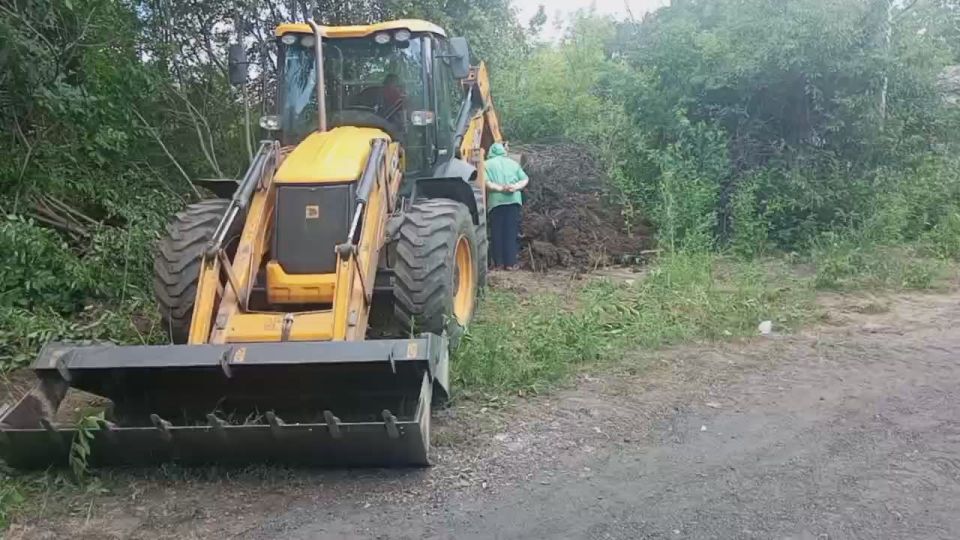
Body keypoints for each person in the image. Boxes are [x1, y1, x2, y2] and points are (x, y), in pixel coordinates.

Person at [485, 142, 529, 270]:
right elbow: (525, 179)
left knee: (497, 232)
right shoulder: (513, 163)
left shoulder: (486, 164)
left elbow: (486, 182)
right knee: (511, 232)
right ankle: (510, 263)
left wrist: (500, 188)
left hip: (496, 202)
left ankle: (498, 263)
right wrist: (514, 187)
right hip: (513, 201)